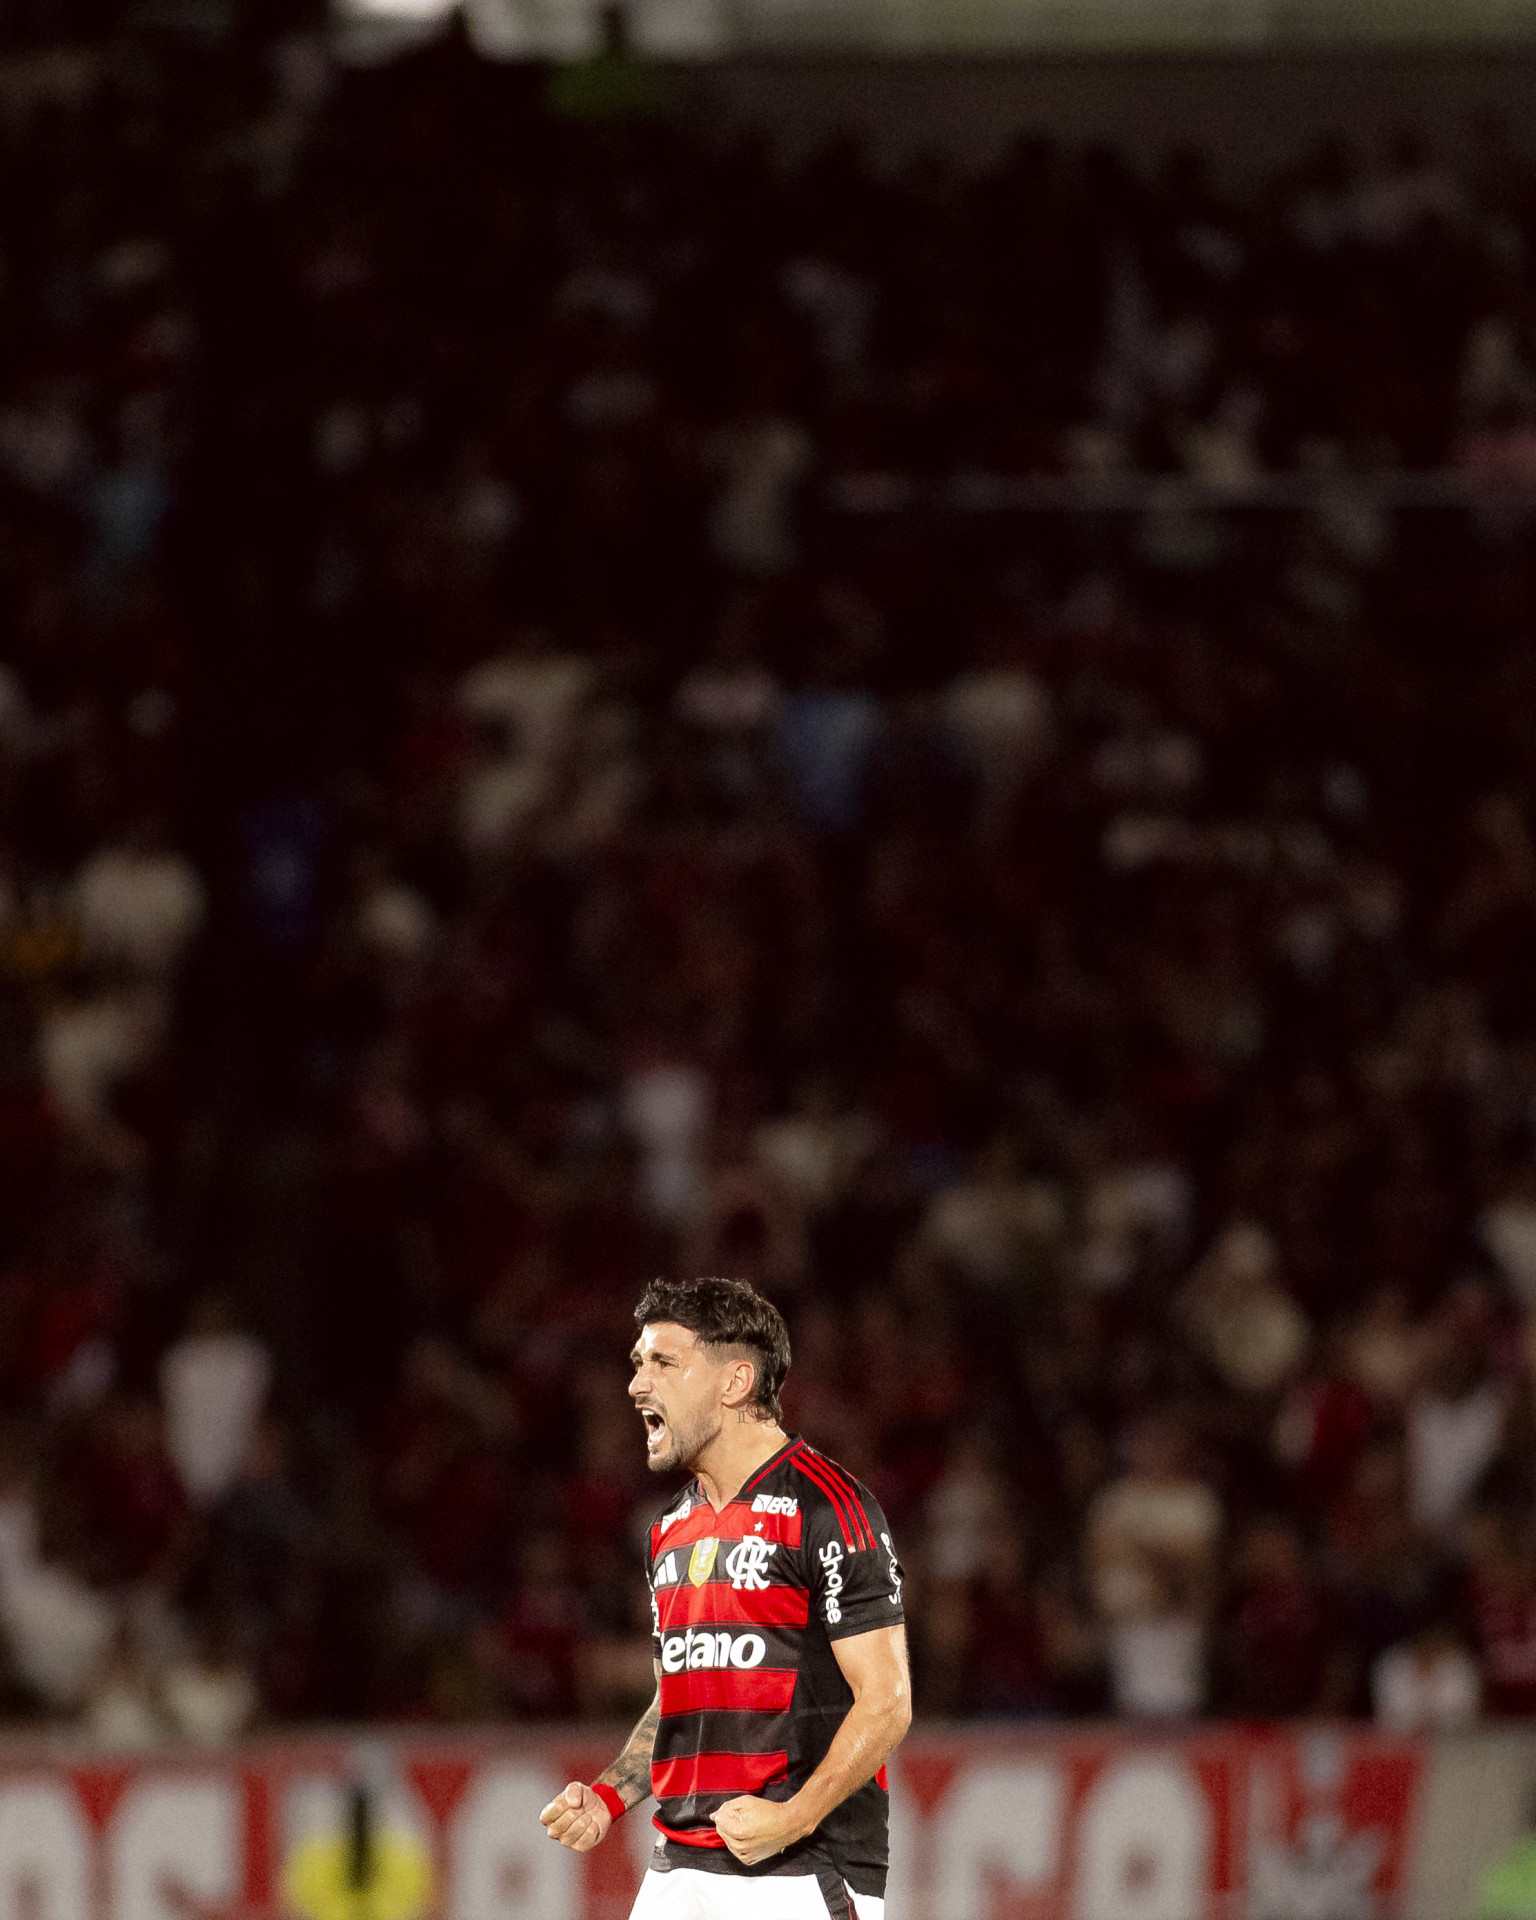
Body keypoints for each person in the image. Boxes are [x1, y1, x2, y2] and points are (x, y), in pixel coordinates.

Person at [539, 1276, 910, 1920]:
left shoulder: (831, 1506)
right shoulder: (667, 1531)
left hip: (799, 1872)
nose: (636, 1385)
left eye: (663, 1362)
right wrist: (608, 1797)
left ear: (735, 1383)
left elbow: (887, 1703)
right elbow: (675, 1698)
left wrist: (791, 1819)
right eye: (637, 1363)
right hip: (677, 1868)